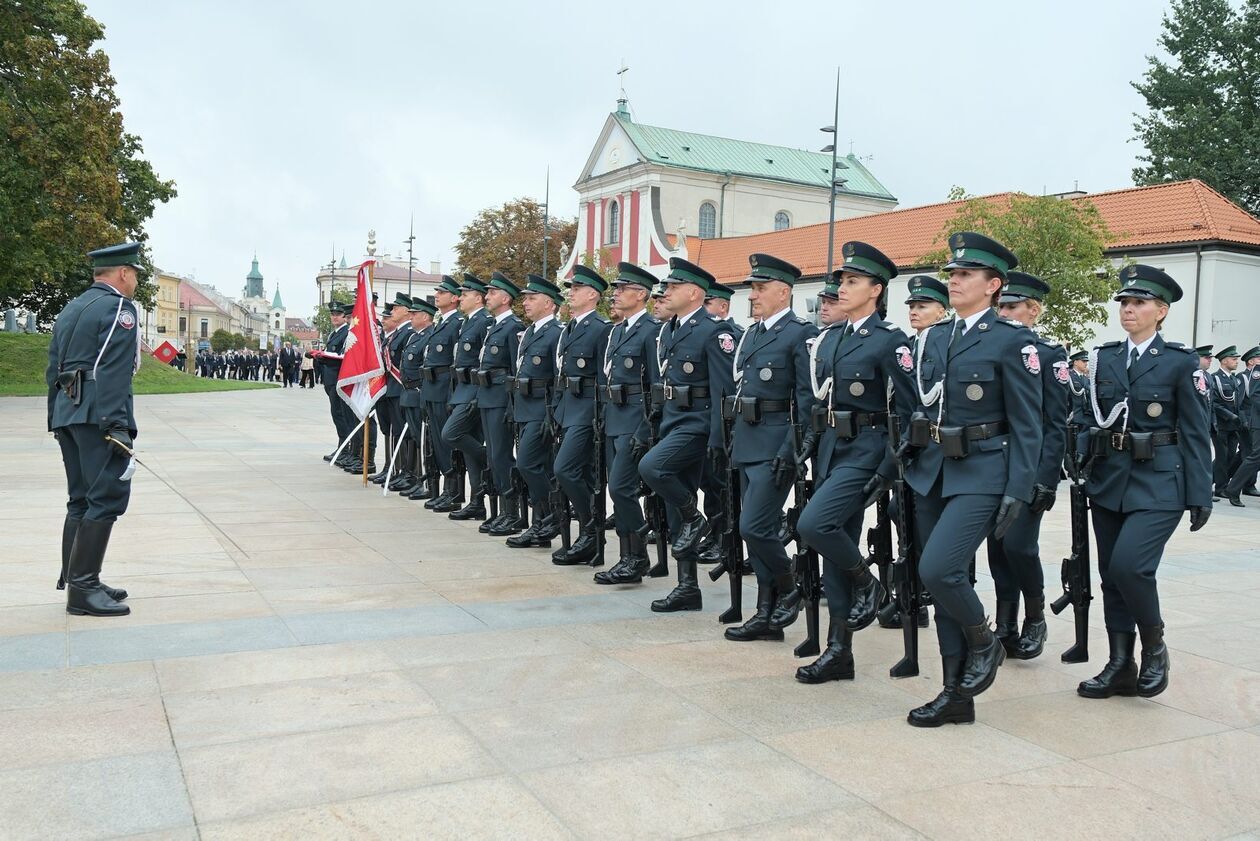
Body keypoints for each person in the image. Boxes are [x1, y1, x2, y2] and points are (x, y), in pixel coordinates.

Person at [898, 232, 1043, 727]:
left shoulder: (1013, 341)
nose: (954, 281)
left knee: (938, 570)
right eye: (952, 274)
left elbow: (1029, 423)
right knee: (942, 586)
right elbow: (928, 400)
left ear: (993, 285)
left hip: (984, 471)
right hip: (934, 469)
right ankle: (955, 694)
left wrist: (1019, 488)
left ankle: (985, 640)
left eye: (964, 275)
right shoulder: (937, 337)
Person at [1076, 265, 1211, 700]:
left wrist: (1200, 492)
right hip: (1110, 478)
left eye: (1138, 303)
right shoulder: (1105, 358)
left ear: (1161, 311)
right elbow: (1088, 418)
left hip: (1160, 481)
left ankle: (1154, 648)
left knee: (1130, 566)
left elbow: (1195, 430)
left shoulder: (1179, 361)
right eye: (1124, 303)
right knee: (1109, 575)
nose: (1128, 309)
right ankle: (1120, 664)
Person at [790, 243, 912, 677]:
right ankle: (839, 651)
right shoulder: (831, 339)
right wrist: (808, 444)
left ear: (876, 290)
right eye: (842, 281)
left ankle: (871, 587)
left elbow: (907, 410)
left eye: (852, 282)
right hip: (829, 450)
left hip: (867, 450)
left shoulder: (891, 342)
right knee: (831, 546)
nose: (842, 288)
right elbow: (817, 401)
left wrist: (888, 466)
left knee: (814, 525)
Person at [719, 254, 819, 642]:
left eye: (761, 289)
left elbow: (807, 400)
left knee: (754, 526)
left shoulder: (798, 334)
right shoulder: (753, 334)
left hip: (776, 445)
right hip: (747, 439)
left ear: (784, 291)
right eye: (753, 288)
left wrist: (791, 450)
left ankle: (790, 584)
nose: (753, 295)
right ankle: (767, 612)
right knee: (753, 531)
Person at [45, 242, 145, 617]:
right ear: (122, 273)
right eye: (134, 274)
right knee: (106, 497)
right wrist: (117, 424)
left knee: (81, 499)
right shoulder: (119, 308)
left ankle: (79, 579)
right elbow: (112, 369)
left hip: (68, 412)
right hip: (99, 416)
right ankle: (83, 589)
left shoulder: (71, 309)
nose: (134, 281)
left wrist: (55, 416)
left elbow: (53, 368)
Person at [638, 258, 736, 610]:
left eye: (674, 287)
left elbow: (723, 392)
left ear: (694, 292)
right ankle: (687, 587)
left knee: (651, 469)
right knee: (674, 509)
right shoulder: (673, 329)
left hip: (698, 424)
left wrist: (717, 440)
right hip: (673, 421)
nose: (667, 292)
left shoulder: (714, 330)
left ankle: (697, 519)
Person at [985, 271, 1069, 660]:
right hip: (995, 465)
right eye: (1000, 305)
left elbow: (1054, 424)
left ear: (1033, 311)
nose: (1003, 313)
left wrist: (1046, 479)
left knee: (1019, 546)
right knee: (997, 549)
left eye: (1012, 307)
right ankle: (1004, 624)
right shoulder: (991, 349)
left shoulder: (1049, 356)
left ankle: (1035, 616)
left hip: (1030, 470)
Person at [593, 263, 662, 584]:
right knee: (616, 489)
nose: (616, 295)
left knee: (622, 487)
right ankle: (627, 556)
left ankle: (636, 558)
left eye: (622, 290)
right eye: (616, 289)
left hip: (635, 422)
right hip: (613, 419)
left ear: (641, 295)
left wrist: (646, 430)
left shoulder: (651, 330)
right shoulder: (618, 330)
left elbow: (656, 387)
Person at [550, 265, 613, 565]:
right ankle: (590, 536)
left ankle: (589, 529)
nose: (570, 294)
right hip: (567, 409)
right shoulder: (570, 329)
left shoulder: (600, 329)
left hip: (587, 410)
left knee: (565, 469)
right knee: (577, 474)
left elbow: (603, 377)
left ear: (592, 295)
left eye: (576, 289)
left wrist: (600, 416)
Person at [506, 275, 566, 548]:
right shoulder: (529, 332)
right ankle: (539, 524)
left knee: (528, 464)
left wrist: (553, 414)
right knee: (531, 466)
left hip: (541, 409)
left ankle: (551, 516)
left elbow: (558, 378)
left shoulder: (555, 333)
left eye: (532, 298)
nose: (526, 303)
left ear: (549, 303)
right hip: (524, 407)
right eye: (525, 298)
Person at [696, 281, 744, 563]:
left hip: (721, 424)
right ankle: (714, 533)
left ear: (722, 306)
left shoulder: (726, 335)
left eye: (707, 303)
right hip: (705, 421)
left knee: (721, 485)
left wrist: (720, 431)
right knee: (709, 484)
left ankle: (725, 539)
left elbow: (724, 389)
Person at [476, 272, 526, 536]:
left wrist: (511, 406)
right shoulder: (494, 326)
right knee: (494, 456)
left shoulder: (513, 327)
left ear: (505, 298)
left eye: (492, 293)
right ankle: (502, 510)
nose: (487, 297)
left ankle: (512, 511)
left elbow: (515, 369)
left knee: (502, 455)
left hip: (500, 400)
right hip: (487, 397)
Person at [442, 275, 493, 520]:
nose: (460, 298)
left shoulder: (484, 321)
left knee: (451, 434)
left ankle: (498, 461)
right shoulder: (467, 322)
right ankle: (477, 500)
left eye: (464, 294)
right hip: (461, 390)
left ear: (478, 297)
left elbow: (487, 362)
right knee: (468, 447)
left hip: (474, 390)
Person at [423, 277, 466, 512]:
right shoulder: (441, 323)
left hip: (444, 388)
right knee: (437, 441)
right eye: (437, 292)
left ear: (454, 297)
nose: (437, 296)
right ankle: (447, 489)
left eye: (442, 293)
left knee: (447, 441)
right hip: (432, 387)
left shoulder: (458, 322)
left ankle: (454, 491)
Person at [398, 297, 437, 500]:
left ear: (425, 316)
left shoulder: (430, 336)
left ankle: (427, 480)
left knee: (424, 440)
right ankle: (416, 477)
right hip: (408, 394)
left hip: (419, 393)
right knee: (415, 437)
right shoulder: (414, 337)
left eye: (414, 315)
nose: (410, 317)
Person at [1223, 346, 1260, 505]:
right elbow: (1255, 395)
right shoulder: (1257, 372)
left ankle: (1233, 487)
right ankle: (1232, 488)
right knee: (1254, 457)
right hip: (1257, 422)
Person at [1209, 346, 1242, 497]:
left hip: (1234, 425)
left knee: (1230, 456)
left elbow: (1238, 403)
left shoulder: (1234, 379)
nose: (1237, 362)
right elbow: (1214, 403)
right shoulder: (1215, 378)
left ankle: (1208, 481)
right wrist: (1229, 415)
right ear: (1224, 361)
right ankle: (1220, 488)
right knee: (1222, 457)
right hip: (1221, 424)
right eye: (1234, 359)